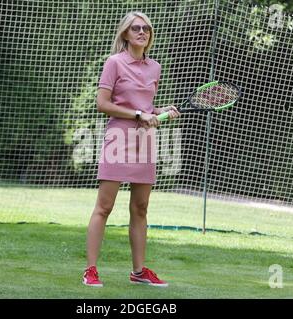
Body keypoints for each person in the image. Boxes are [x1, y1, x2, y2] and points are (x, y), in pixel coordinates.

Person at [83, 11, 180, 288]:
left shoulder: (155, 67)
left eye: (147, 29)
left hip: (145, 141)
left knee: (141, 207)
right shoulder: (114, 62)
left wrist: (161, 112)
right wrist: (139, 114)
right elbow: (103, 103)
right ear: (125, 33)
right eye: (136, 28)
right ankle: (90, 270)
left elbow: (147, 108)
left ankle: (138, 272)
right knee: (104, 206)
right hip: (118, 137)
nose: (142, 32)